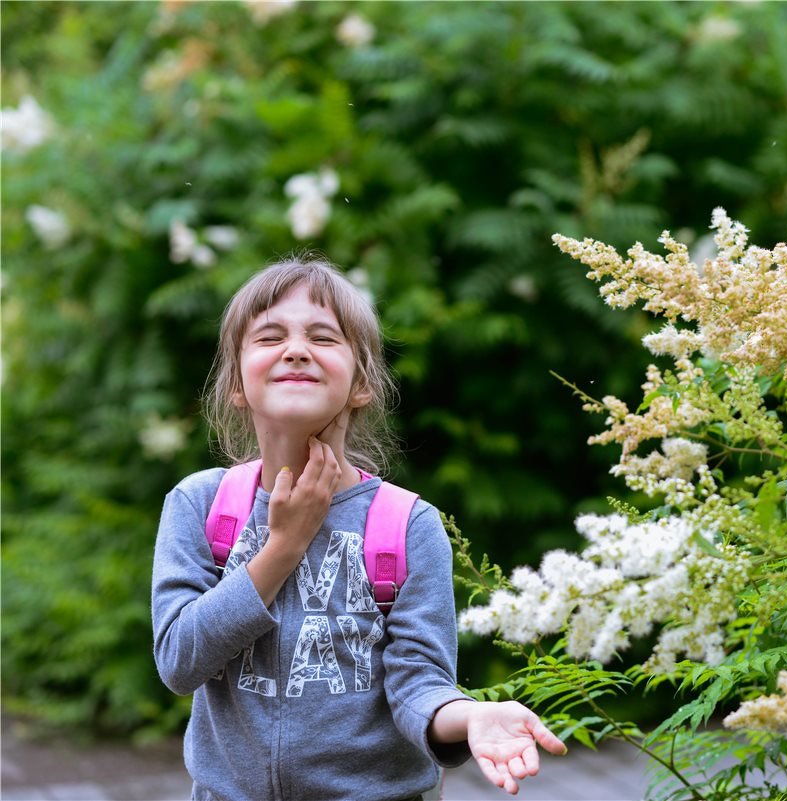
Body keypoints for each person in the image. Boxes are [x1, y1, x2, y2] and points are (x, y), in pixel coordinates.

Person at [151, 255, 565, 801]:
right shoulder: (201, 505)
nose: (296, 349)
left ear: (361, 383)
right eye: (270, 336)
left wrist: (470, 716)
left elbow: (418, 682)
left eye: (323, 338)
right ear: (235, 382)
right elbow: (180, 661)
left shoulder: (406, 525)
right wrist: (283, 546)